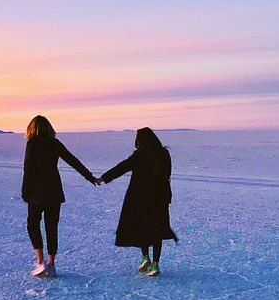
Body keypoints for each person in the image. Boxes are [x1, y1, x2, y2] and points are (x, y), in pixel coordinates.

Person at [21, 115, 98, 277]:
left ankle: (40, 262)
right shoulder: (54, 143)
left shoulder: (32, 144)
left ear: (32, 128)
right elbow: (73, 161)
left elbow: (28, 170)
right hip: (54, 192)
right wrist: (89, 176)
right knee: (51, 227)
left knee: (33, 225)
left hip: (36, 193)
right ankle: (51, 264)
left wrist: (25, 192)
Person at [98, 127, 178, 276]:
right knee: (156, 229)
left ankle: (145, 257)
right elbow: (167, 174)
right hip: (160, 197)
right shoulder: (164, 154)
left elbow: (121, 167)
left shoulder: (139, 155)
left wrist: (103, 178)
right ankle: (155, 264)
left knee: (142, 227)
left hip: (140, 197)